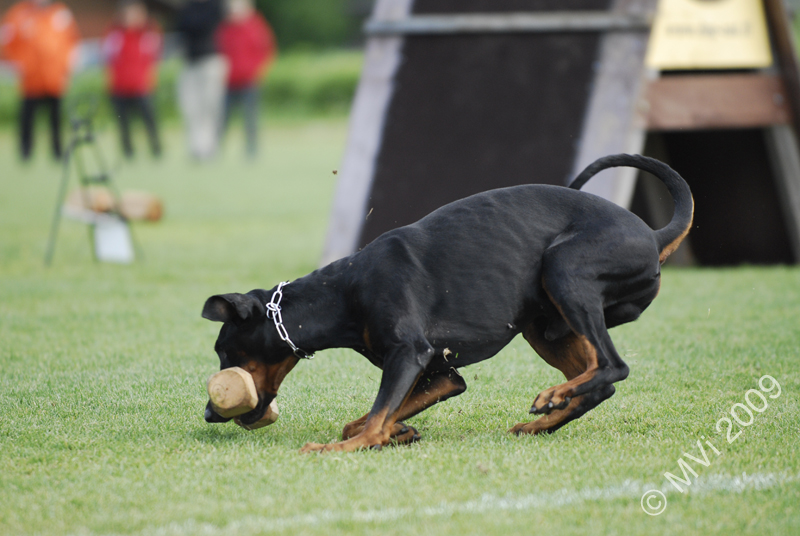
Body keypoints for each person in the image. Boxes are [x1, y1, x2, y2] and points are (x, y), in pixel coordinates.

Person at [0, 0, 80, 160]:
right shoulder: (19, 14)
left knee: (56, 119)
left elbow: (72, 41)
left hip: (54, 78)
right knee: (27, 119)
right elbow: (6, 40)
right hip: (31, 78)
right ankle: (25, 153)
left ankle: (57, 152)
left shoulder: (60, 13)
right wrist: (19, 62)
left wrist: (66, 66)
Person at [216, 0, 276, 158]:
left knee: (250, 117)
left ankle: (251, 150)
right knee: (223, 118)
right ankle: (216, 149)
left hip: (249, 81)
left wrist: (258, 71)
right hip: (229, 81)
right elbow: (219, 51)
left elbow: (267, 51)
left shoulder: (256, 27)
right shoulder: (226, 29)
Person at [102, 0, 162, 159]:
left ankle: (156, 148)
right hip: (120, 85)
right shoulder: (115, 33)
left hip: (141, 85)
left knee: (149, 119)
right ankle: (128, 151)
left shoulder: (148, 33)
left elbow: (153, 58)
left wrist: (150, 79)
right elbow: (108, 57)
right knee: (123, 122)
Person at [176, 0, 226, 161]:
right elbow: (181, 26)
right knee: (191, 108)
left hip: (210, 61)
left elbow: (201, 25)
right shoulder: (188, 7)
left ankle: (209, 148)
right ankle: (196, 147)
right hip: (190, 63)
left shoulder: (215, 5)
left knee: (209, 108)